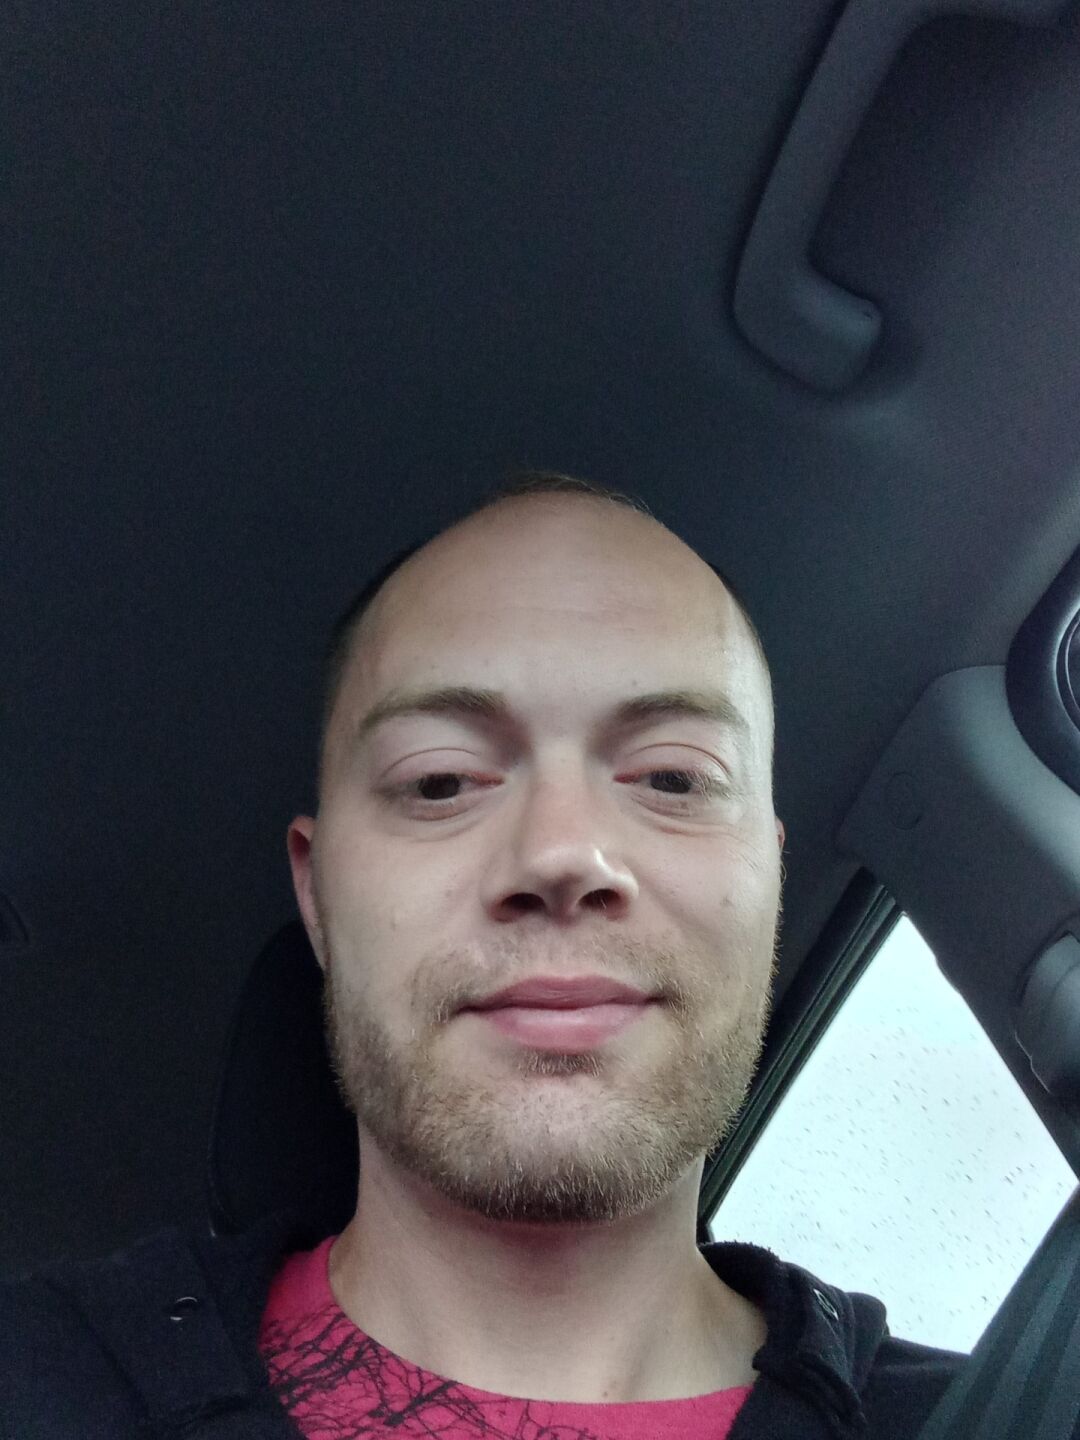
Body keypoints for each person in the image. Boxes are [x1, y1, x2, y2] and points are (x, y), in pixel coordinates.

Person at [1, 472, 964, 1438]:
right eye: (440, 781)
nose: (562, 853)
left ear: (772, 883)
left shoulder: (992, 1413)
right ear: (317, 895)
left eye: (675, 777)